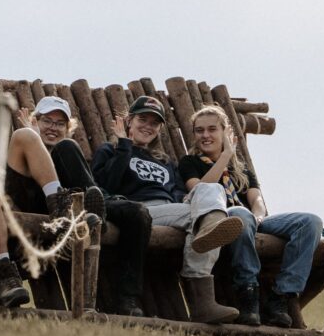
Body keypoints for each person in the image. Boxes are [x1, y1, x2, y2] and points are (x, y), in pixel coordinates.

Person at [0, 96, 152, 316]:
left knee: (137, 212)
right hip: (32, 213)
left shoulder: (67, 153)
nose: (53, 127)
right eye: (47, 121)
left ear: (68, 128)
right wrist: (33, 135)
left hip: (74, 211)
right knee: (31, 138)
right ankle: (73, 213)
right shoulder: (23, 145)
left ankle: (93, 217)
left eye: (60, 123)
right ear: (35, 121)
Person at [90, 95, 242, 324]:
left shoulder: (165, 161)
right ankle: (201, 301)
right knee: (205, 216)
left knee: (210, 190)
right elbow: (107, 186)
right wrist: (124, 145)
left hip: (174, 211)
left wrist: (189, 200)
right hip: (139, 211)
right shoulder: (110, 150)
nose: (148, 126)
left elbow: (179, 192)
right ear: (129, 121)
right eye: (142, 119)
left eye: (154, 123)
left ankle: (209, 224)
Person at [179, 104, 322, 328]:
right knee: (240, 214)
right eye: (199, 130)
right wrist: (226, 155)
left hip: (252, 220)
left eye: (212, 129)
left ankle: (281, 295)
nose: (205, 135)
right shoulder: (189, 163)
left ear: (225, 132)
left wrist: (259, 216)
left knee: (310, 222)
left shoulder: (241, 169)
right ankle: (248, 294)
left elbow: (257, 199)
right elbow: (200, 190)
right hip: (220, 219)